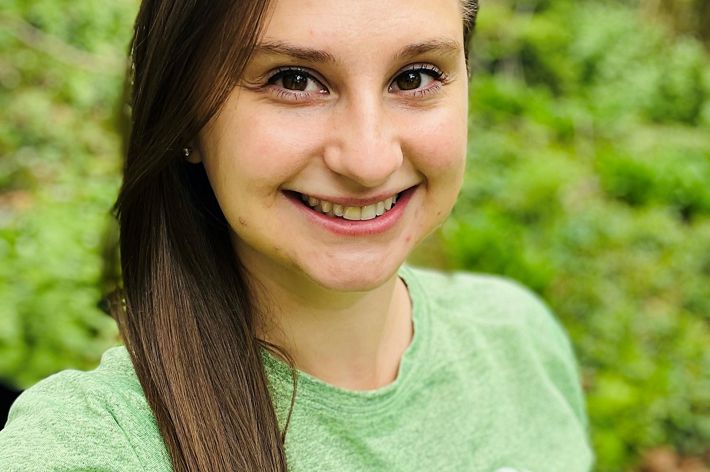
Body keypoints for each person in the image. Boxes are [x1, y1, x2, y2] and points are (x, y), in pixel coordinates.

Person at [0, 0, 593, 470]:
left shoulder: (521, 340)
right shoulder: (97, 446)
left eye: (414, 76)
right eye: (295, 80)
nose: (367, 159)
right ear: (185, 116)